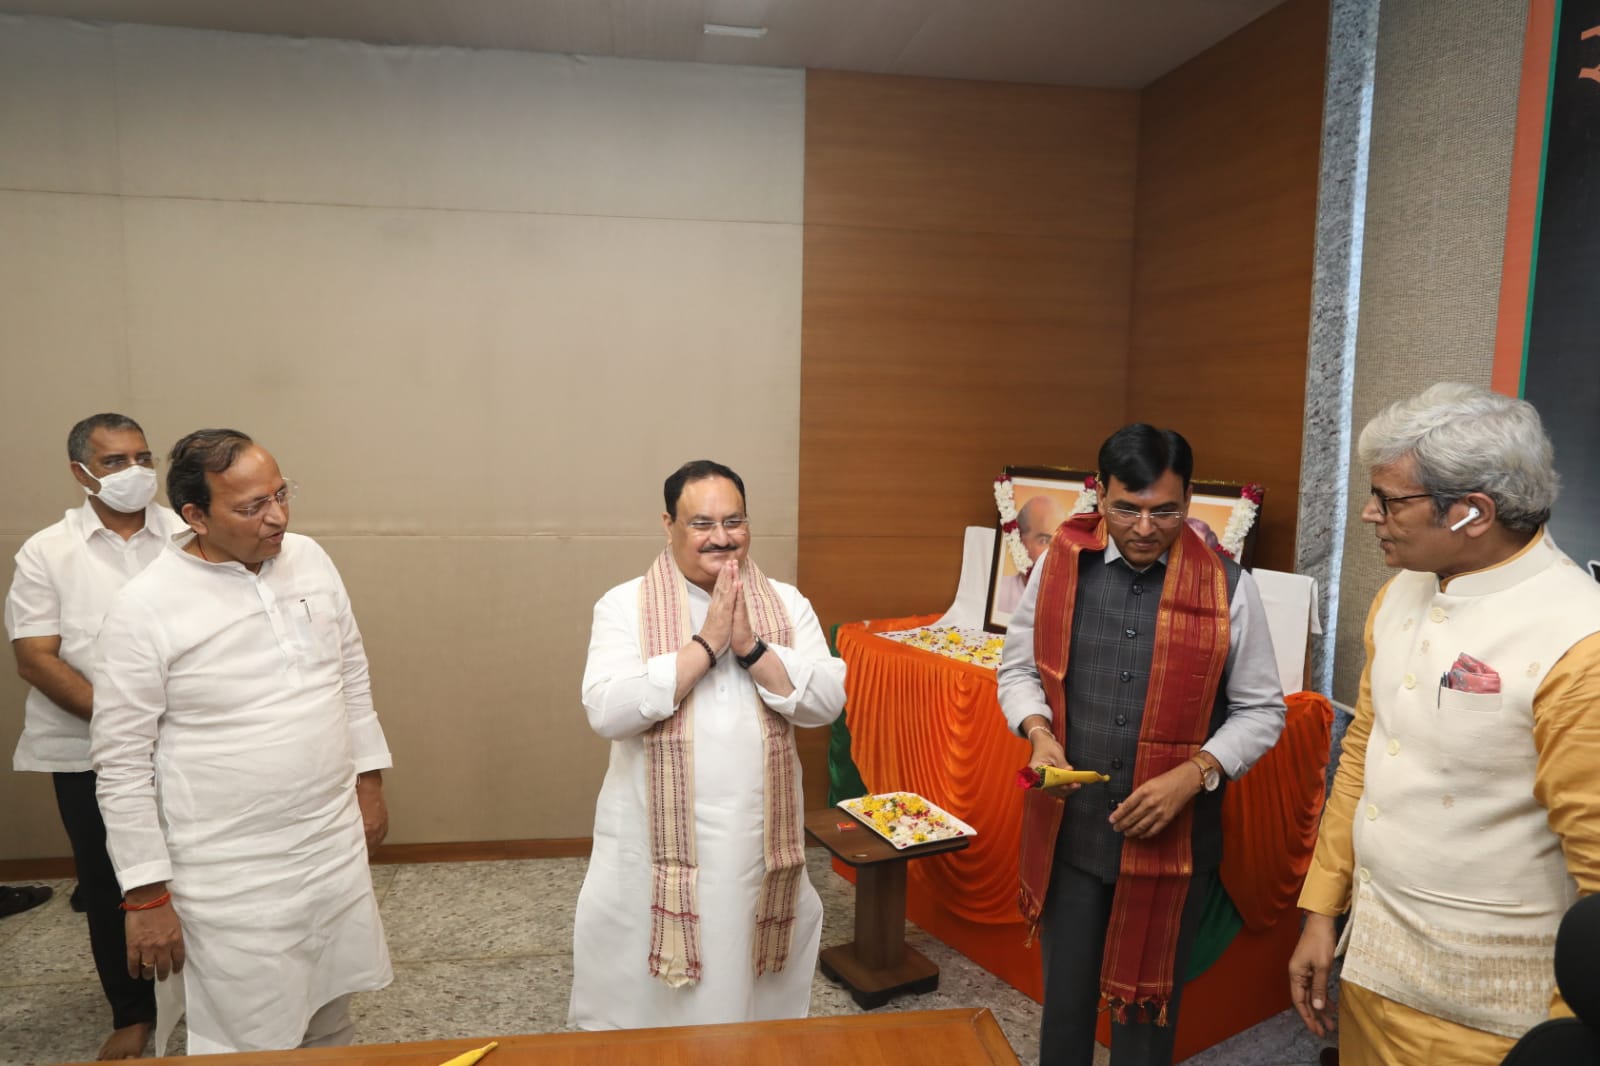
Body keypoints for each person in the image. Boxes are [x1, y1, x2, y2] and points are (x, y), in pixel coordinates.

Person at [1288, 383, 1600, 1066]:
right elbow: (1365, 754)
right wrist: (1321, 910)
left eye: (1391, 500)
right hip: (1373, 963)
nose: (1371, 515)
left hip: (1491, 1017)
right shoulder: (1402, 591)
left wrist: (1568, 1040)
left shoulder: (1579, 642)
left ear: (1472, 512)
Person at [89, 429, 393, 1054]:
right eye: (252, 506)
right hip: (231, 870)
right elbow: (120, 764)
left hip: (328, 841)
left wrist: (369, 781)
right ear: (194, 516)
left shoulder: (309, 558)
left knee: (331, 1008)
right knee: (250, 1034)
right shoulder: (144, 607)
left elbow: (352, 675)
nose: (277, 516)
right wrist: (145, 895)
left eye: (280, 495)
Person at [997, 424, 1286, 1066]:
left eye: (1166, 512)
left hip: (1175, 842)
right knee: (1066, 1010)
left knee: (1146, 1024)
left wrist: (1196, 773)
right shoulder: (1059, 564)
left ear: (1189, 503)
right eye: (1127, 508)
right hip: (1073, 831)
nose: (1146, 528)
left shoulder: (1228, 587)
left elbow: (1262, 711)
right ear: (1099, 495)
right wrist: (1039, 733)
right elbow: (1016, 669)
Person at [569, 459, 847, 1030]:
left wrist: (748, 646)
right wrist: (706, 644)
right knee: (646, 998)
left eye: (734, 520)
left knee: (745, 995)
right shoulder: (624, 605)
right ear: (667, 525)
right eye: (702, 523)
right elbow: (606, 710)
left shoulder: (787, 604)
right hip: (651, 847)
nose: (721, 537)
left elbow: (825, 703)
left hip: (755, 847)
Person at [6, 413, 182, 1059]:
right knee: (113, 882)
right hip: (86, 751)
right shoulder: (47, 550)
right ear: (80, 472)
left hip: (190, 741)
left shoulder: (191, 534)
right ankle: (132, 1011)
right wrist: (127, 725)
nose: (134, 472)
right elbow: (36, 657)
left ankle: (215, 989)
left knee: (203, 870)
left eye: (143, 457)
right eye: (114, 462)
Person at [997, 494, 1071, 615]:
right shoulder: (999, 594)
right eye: (1044, 541)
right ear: (1020, 541)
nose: (1055, 552)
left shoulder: (1071, 599)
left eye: (1060, 541)